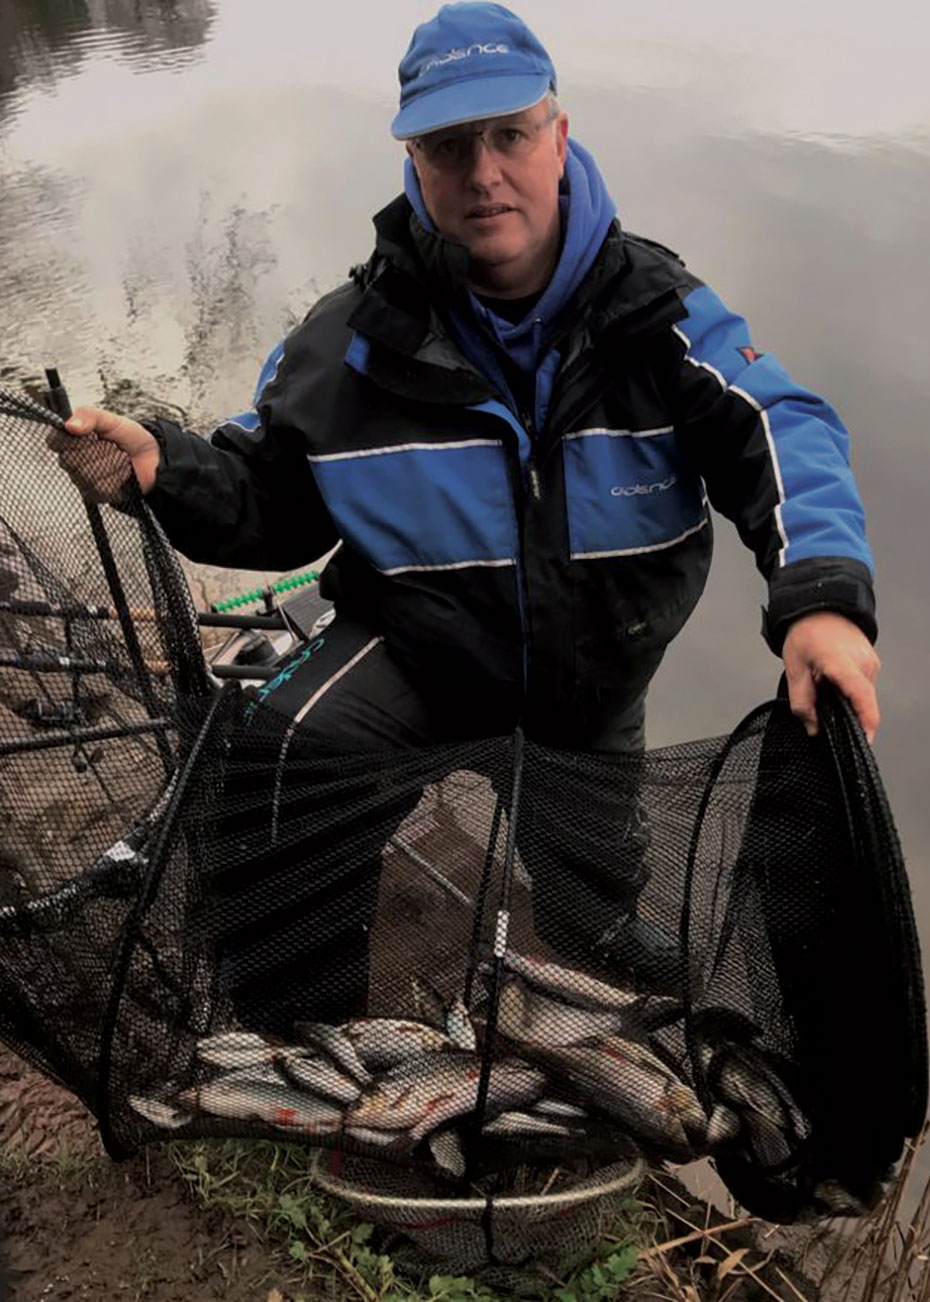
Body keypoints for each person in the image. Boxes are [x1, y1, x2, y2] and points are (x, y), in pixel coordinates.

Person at [53, 2, 880, 1026]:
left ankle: (598, 931)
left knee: (595, 900)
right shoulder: (344, 342)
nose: (484, 172)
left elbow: (782, 433)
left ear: (558, 136)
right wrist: (163, 469)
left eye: (508, 135)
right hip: (415, 651)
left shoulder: (660, 317)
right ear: (414, 161)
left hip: (592, 681)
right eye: (450, 145)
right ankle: (286, 1034)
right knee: (277, 755)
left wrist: (821, 602)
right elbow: (267, 503)